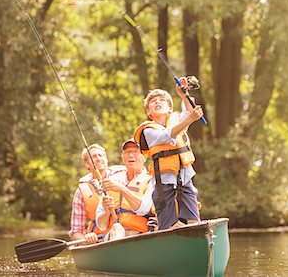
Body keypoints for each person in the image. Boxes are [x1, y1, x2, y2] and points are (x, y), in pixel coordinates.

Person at [134, 78, 204, 230]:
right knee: (169, 226)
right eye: (153, 102)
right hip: (163, 183)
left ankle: (196, 238)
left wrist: (183, 94)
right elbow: (167, 136)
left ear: (170, 108)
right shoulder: (147, 131)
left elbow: (188, 112)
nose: (157, 102)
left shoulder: (177, 120)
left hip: (185, 179)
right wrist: (191, 119)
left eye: (162, 100)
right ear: (149, 111)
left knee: (194, 222)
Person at [95, 139, 155, 240]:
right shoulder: (112, 180)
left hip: (141, 235)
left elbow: (143, 210)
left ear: (144, 157)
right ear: (123, 157)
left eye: (136, 152)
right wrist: (106, 210)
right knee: (117, 228)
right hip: (114, 234)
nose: (131, 155)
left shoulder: (151, 180)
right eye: (127, 152)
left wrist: (122, 189)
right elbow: (101, 225)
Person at [69, 144, 125, 244]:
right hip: (100, 239)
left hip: (126, 232)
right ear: (86, 164)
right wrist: (86, 239)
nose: (98, 159)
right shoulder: (81, 191)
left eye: (101, 155)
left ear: (106, 159)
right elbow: (75, 232)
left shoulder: (122, 176)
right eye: (94, 157)